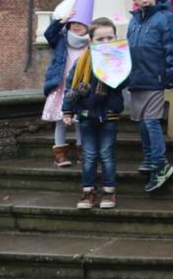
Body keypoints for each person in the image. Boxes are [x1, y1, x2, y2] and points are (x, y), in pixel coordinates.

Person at [127, 0, 173, 192]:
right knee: (142, 122)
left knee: (151, 121)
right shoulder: (133, 20)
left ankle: (161, 165)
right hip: (138, 80)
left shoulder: (165, 17)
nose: (144, 0)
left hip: (157, 79)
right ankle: (150, 157)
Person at [62, 18, 123, 209]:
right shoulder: (82, 62)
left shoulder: (119, 60)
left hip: (109, 115)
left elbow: (125, 82)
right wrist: (68, 110)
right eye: (100, 39)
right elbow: (70, 86)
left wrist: (114, 67)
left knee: (106, 154)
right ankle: (88, 192)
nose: (105, 42)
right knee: (88, 155)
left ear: (115, 39)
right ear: (91, 41)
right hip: (87, 115)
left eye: (109, 38)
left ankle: (109, 192)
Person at [42, 7, 87, 167]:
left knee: (80, 121)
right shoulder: (62, 39)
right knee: (61, 121)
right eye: (73, 23)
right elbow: (49, 34)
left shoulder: (90, 44)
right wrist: (62, 21)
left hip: (81, 89)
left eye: (80, 23)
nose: (76, 26)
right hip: (62, 86)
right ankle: (60, 155)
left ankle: (83, 152)